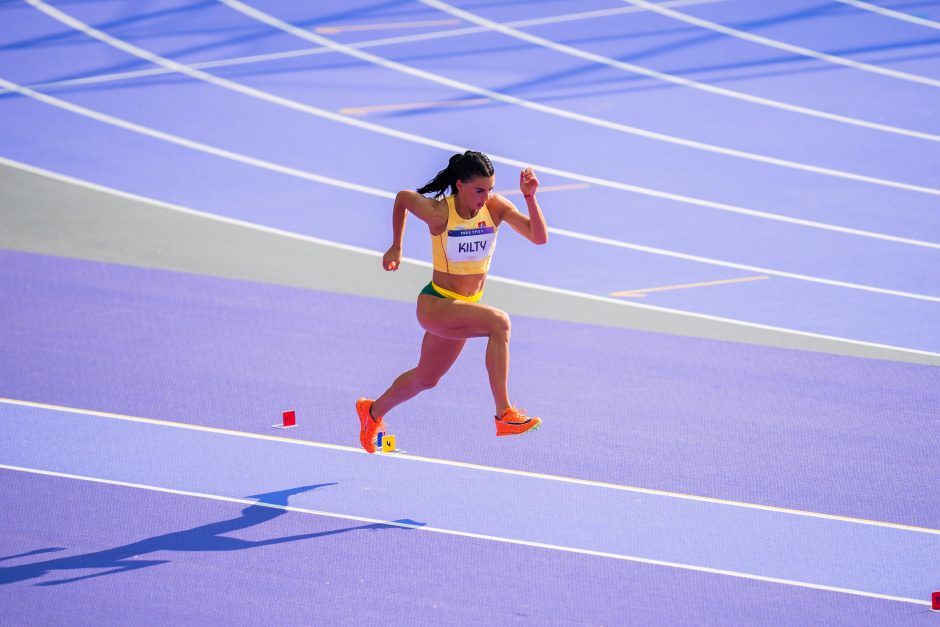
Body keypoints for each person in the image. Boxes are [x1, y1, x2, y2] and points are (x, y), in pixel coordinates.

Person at [356, 150, 549, 453]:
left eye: (490, 189)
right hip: (436, 305)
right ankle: (504, 415)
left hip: (463, 308)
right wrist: (396, 246)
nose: (485, 197)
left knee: (425, 379)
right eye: (479, 190)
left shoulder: (495, 208)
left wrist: (529, 197)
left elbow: (539, 237)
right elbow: (404, 198)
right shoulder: (440, 213)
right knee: (499, 323)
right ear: (459, 185)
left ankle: (371, 413)